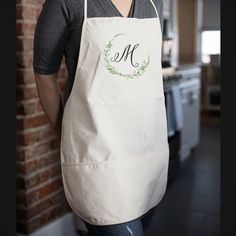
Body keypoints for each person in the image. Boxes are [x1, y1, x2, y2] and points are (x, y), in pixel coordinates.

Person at [33, 0, 169, 235]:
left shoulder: (154, 3)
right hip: (99, 158)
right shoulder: (65, 3)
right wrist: (65, 133)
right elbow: (44, 73)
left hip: (147, 154)